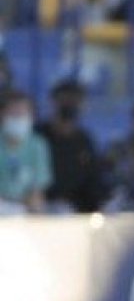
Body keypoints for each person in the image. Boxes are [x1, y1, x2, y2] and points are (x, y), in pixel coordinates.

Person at [37, 79, 107, 213]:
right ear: (53, 103)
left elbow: (93, 182)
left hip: (75, 211)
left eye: (75, 101)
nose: (70, 106)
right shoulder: (37, 136)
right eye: (65, 101)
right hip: (41, 207)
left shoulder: (85, 140)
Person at [0, 89, 51, 214]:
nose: (18, 118)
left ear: (31, 117)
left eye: (22, 114)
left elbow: (37, 190)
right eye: (13, 114)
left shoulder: (38, 145)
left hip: (25, 208)